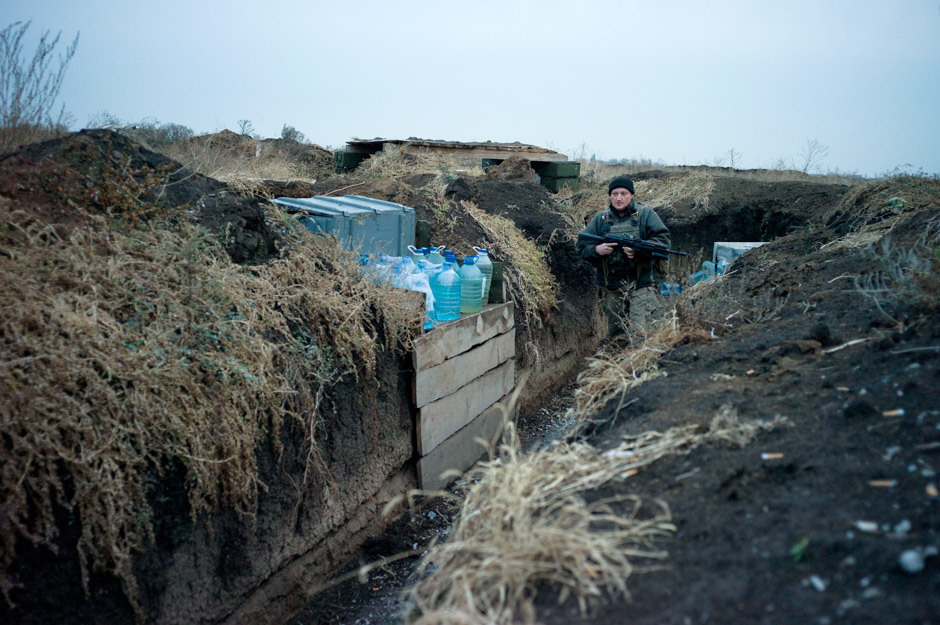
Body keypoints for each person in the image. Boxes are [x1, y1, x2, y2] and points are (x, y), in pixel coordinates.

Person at [576, 176, 671, 338]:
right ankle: (620, 362)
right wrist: (597, 250)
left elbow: (663, 242)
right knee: (617, 335)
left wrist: (639, 251)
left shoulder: (645, 215)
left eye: (623, 193)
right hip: (612, 287)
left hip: (643, 284)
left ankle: (641, 362)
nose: (618, 198)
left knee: (640, 332)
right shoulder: (600, 219)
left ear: (632, 195)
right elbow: (581, 246)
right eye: (614, 194)